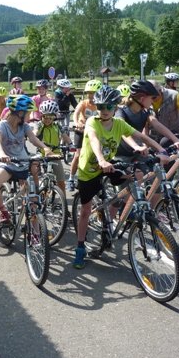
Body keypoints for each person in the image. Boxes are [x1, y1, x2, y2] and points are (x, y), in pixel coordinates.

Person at [73, 86, 168, 269]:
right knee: (85, 210)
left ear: (115, 107)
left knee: (132, 179)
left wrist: (161, 150)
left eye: (109, 106)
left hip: (109, 165)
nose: (104, 110)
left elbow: (141, 137)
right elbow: (94, 140)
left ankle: (117, 210)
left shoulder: (118, 123)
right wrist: (101, 160)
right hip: (89, 170)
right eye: (100, 106)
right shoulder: (92, 122)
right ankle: (80, 247)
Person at [0, 95, 53, 226]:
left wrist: (45, 148)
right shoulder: (1, 126)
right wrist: (2, 154)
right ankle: (3, 211)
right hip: (8, 164)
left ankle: (36, 233)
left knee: (32, 203)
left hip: (23, 163)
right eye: (29, 113)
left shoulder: (24, 126)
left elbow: (33, 139)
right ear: (20, 113)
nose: (30, 116)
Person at [115, 80, 179, 165]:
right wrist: (136, 146)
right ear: (142, 99)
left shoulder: (145, 111)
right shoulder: (121, 111)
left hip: (138, 152)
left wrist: (175, 140)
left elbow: (157, 125)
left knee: (154, 168)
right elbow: (122, 131)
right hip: (120, 155)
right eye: (152, 98)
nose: (153, 101)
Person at [67, 79, 102, 191]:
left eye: (93, 93)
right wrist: (77, 123)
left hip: (95, 132)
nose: (90, 96)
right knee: (78, 155)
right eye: (89, 93)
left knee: (97, 155)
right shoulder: (84, 103)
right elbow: (76, 113)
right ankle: (71, 178)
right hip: (81, 131)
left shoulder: (101, 105)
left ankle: (94, 178)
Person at [33, 100, 71, 192]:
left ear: (54, 117)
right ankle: (36, 193)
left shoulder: (57, 125)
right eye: (45, 117)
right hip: (42, 154)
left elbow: (65, 136)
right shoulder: (39, 124)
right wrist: (34, 134)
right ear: (41, 115)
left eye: (51, 117)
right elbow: (35, 132)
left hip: (55, 155)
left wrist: (71, 144)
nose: (48, 120)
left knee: (61, 181)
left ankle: (62, 199)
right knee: (35, 171)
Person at [148, 79, 179, 147]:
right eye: (150, 97)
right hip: (155, 134)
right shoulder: (145, 100)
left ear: (160, 91)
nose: (152, 100)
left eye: (154, 97)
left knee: (164, 144)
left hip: (173, 132)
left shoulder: (174, 95)